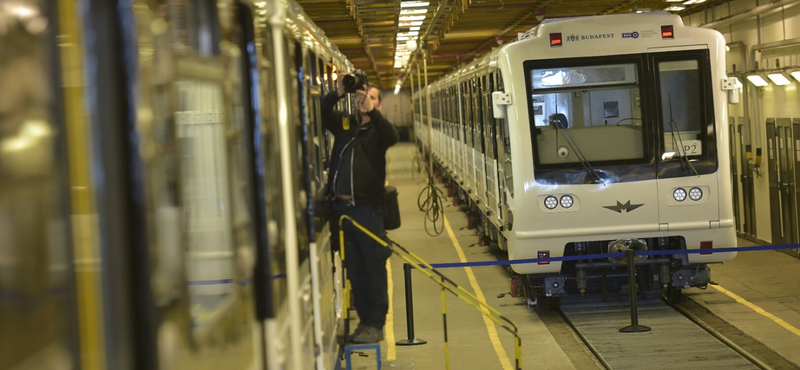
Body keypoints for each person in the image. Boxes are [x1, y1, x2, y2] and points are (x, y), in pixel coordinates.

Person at [322, 77, 399, 344]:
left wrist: (372, 112)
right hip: (344, 213)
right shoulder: (346, 127)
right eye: (362, 97)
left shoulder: (379, 132)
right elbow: (321, 112)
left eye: (373, 97)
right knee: (354, 268)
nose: (365, 100)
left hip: (368, 211)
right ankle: (364, 322)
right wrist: (338, 92)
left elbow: (393, 135)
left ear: (377, 103)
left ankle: (375, 324)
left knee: (373, 267)